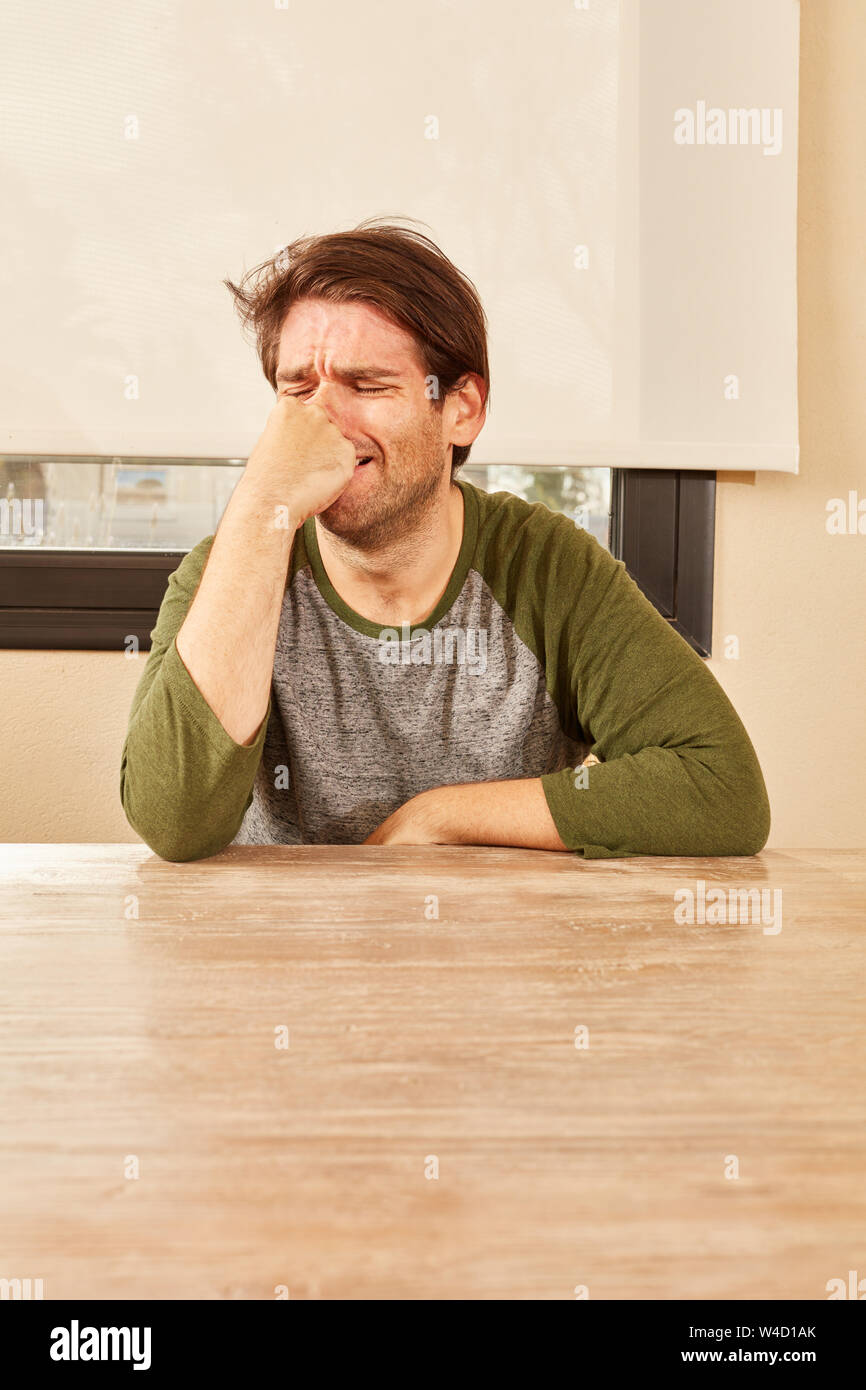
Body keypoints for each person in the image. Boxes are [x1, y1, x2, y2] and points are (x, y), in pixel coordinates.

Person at [120, 218, 770, 862]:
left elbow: (721, 787)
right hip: (283, 954)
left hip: (487, 954)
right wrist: (263, 503)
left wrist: (440, 816)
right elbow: (172, 822)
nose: (322, 422)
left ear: (462, 408)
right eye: (298, 391)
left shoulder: (547, 567)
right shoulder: (232, 567)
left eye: (367, 386)